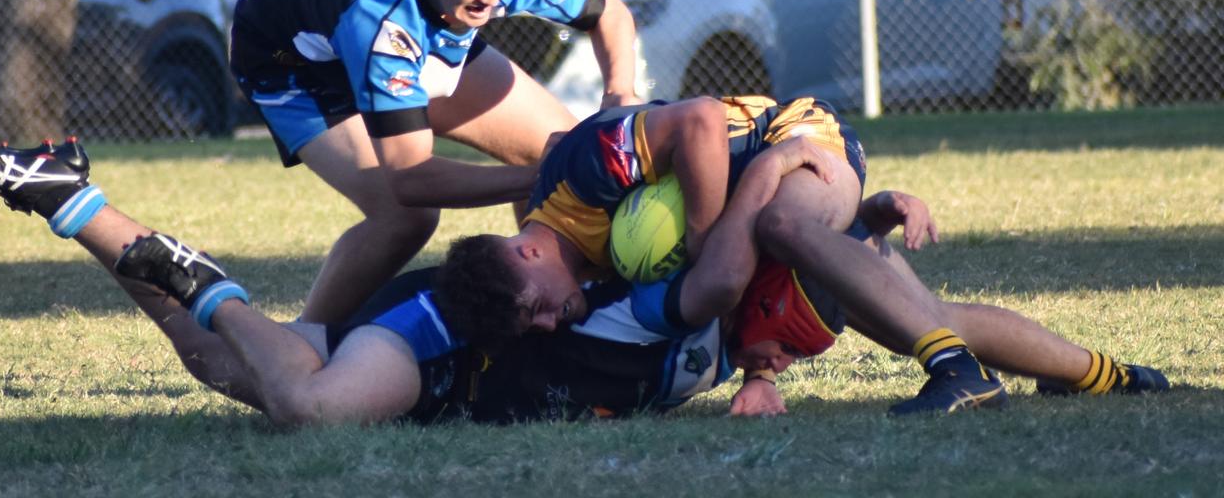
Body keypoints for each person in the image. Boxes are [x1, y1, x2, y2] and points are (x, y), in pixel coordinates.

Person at [0, 140, 1165, 424]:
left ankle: (76, 202)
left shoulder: (697, 302)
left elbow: (938, 309)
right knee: (291, 394)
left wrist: (1112, 373)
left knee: (236, 369)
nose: (570, 302)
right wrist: (789, 180)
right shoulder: (648, 294)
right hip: (430, 332)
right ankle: (96, 214)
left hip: (469, 319)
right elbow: (737, 229)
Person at [434, 95, 1169, 415]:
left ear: (528, 251)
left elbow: (695, 121)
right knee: (920, 312)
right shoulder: (567, 264)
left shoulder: (582, 174)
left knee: (783, 223)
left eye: (531, 312)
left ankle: (955, 372)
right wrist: (755, 367)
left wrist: (706, 226)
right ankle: (1105, 375)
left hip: (795, 142)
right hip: (772, 205)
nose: (544, 326)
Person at [228, 0, 638, 326]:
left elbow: (610, 14)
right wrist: (537, 177)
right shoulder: (382, 19)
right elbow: (412, 178)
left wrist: (619, 93)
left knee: (556, 146)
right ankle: (304, 343)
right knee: (407, 217)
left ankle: (545, 314)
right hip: (296, 65)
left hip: (423, 28)